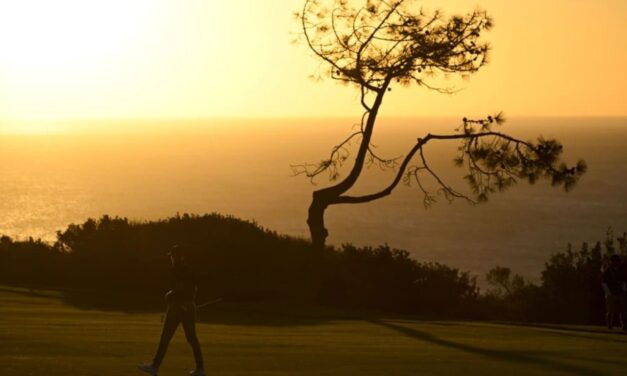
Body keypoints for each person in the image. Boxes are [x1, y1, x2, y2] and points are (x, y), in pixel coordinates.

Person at [138, 245, 205, 376]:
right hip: (187, 306)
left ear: (180, 256)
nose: (172, 258)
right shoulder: (186, 270)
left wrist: (170, 295)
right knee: (191, 338)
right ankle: (200, 368)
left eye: (173, 256)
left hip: (178, 307)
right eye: (171, 256)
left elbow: (181, 288)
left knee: (167, 337)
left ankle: (155, 367)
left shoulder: (178, 270)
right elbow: (192, 289)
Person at [601, 254, 626, 330]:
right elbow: (604, 283)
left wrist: (624, 290)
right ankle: (609, 325)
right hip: (610, 293)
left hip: (620, 292)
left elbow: (624, 281)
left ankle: (624, 325)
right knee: (610, 311)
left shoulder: (621, 270)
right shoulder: (607, 271)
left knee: (623, 310)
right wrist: (608, 293)